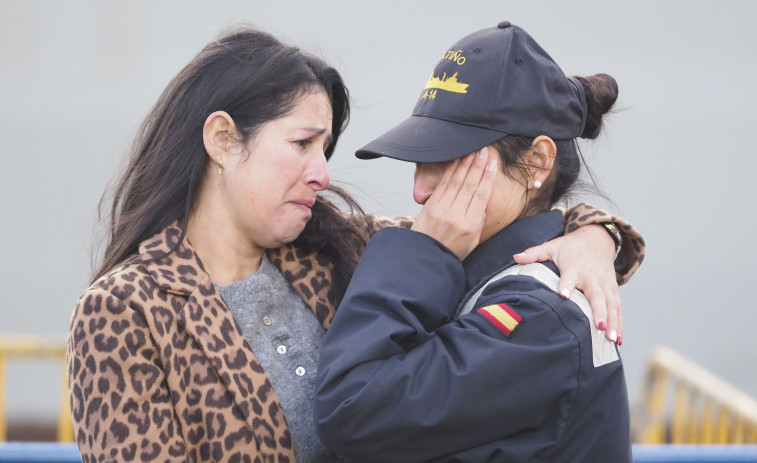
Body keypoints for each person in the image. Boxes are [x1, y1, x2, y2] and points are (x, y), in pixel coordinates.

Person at [67, 25, 644, 462]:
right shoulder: (126, 310)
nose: (322, 173)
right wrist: (593, 235)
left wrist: (592, 235)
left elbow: (499, 234)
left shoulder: (341, 247)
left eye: (326, 150)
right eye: (302, 143)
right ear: (222, 139)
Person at [314, 22, 635, 462]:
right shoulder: (495, 267)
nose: (420, 191)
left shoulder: (541, 318)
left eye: (447, 159)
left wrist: (424, 252)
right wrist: (599, 231)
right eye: (418, 159)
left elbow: (352, 408)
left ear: (538, 160)